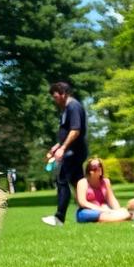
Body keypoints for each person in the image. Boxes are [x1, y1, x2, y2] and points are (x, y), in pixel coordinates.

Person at [42, 82, 88, 227]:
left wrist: (63, 148)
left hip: (73, 152)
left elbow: (75, 130)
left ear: (63, 93)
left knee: (62, 180)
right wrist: (57, 146)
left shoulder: (73, 106)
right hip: (70, 150)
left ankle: (59, 217)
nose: (55, 100)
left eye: (55, 96)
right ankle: (88, 212)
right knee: (78, 182)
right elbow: (67, 132)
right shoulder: (67, 108)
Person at [75, 157, 134, 224]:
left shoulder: (105, 182)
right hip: (87, 211)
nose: (98, 168)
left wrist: (117, 210)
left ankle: (133, 212)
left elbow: (111, 199)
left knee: (119, 212)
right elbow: (83, 203)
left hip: (105, 209)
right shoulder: (83, 182)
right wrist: (101, 209)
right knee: (108, 215)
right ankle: (132, 215)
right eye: (94, 167)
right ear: (89, 170)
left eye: (100, 166)